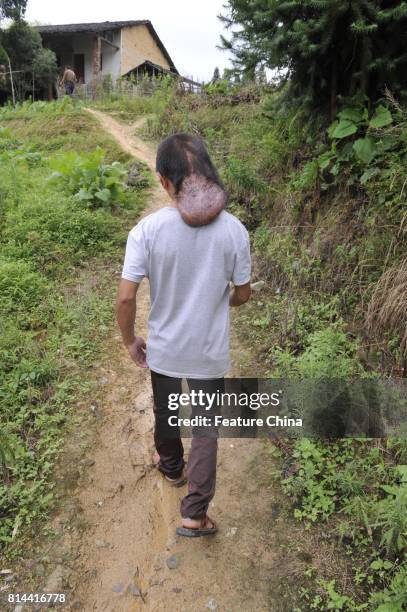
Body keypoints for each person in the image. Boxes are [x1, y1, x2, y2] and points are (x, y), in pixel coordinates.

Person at [116, 133, 251, 537]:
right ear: (207, 173)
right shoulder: (234, 231)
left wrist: (129, 341)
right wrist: (221, 300)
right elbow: (242, 293)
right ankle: (194, 513)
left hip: (165, 349)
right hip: (208, 352)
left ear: (164, 181)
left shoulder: (147, 230)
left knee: (166, 409)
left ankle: (171, 467)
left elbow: (126, 298)